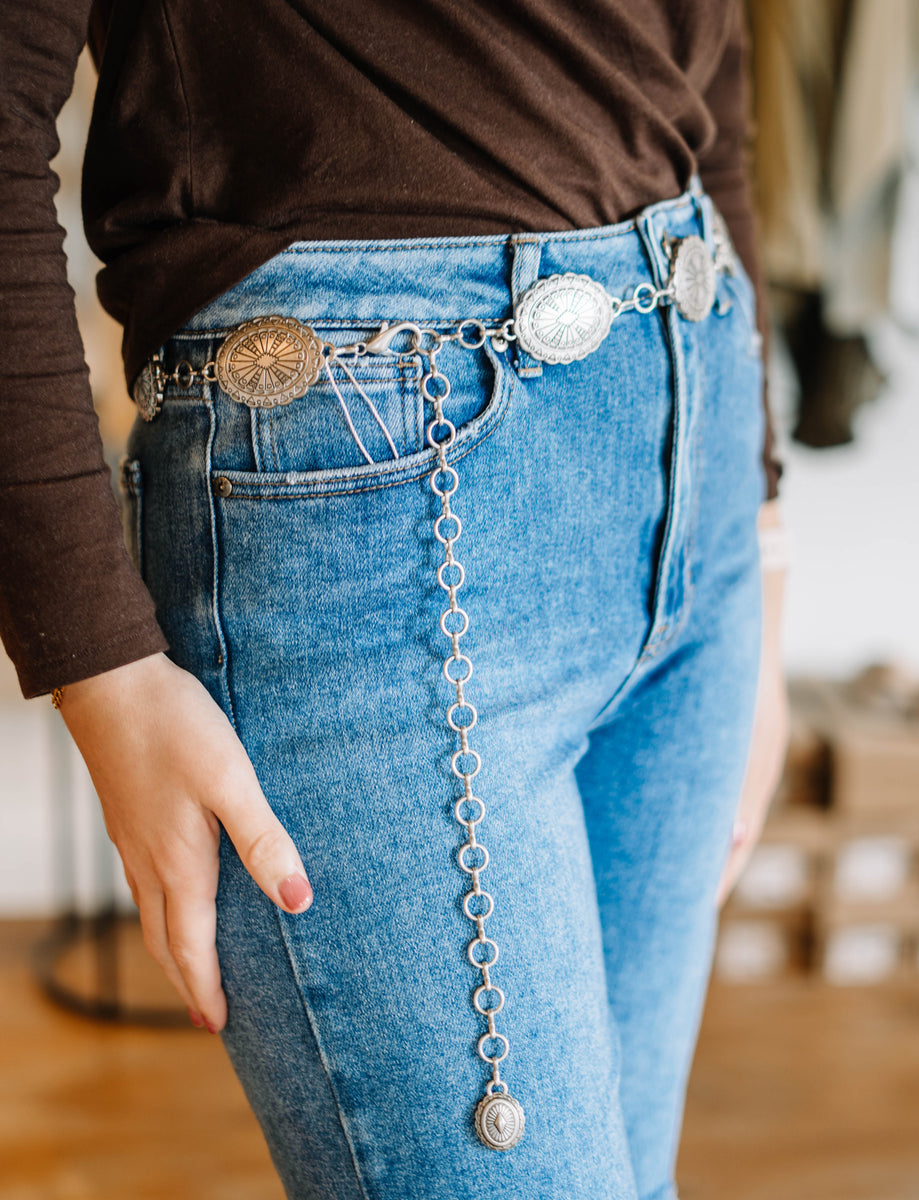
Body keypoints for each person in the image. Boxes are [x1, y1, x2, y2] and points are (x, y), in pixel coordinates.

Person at [0, 2, 789, 1197]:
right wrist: (97, 661)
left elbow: (703, 74)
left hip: (695, 434)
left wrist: (759, 551)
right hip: (372, 493)